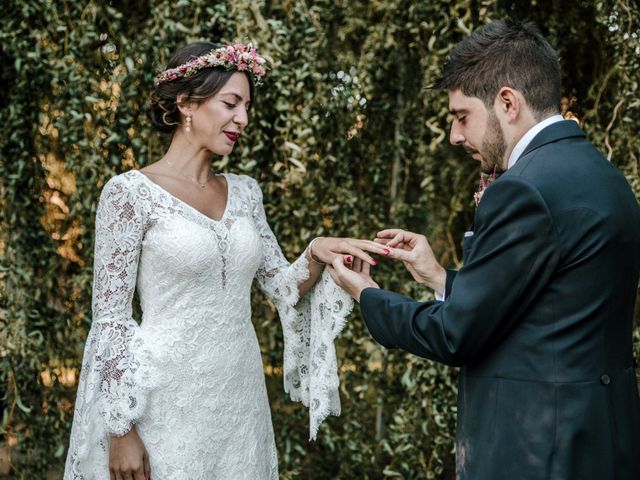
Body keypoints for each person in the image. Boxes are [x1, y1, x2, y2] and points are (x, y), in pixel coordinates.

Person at [328, 19, 640, 480]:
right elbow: (549, 306)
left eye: (461, 116)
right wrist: (440, 278)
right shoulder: (604, 177)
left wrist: (366, 293)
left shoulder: (523, 189)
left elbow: (455, 334)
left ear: (507, 103)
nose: (455, 137)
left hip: (536, 452)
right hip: (601, 442)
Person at [64, 41, 386, 480]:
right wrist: (122, 429)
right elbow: (111, 320)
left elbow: (283, 286)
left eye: (247, 106)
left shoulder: (246, 193)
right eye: (231, 103)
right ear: (186, 104)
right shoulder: (128, 194)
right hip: (163, 399)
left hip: (239, 399)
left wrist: (316, 252)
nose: (243, 119)